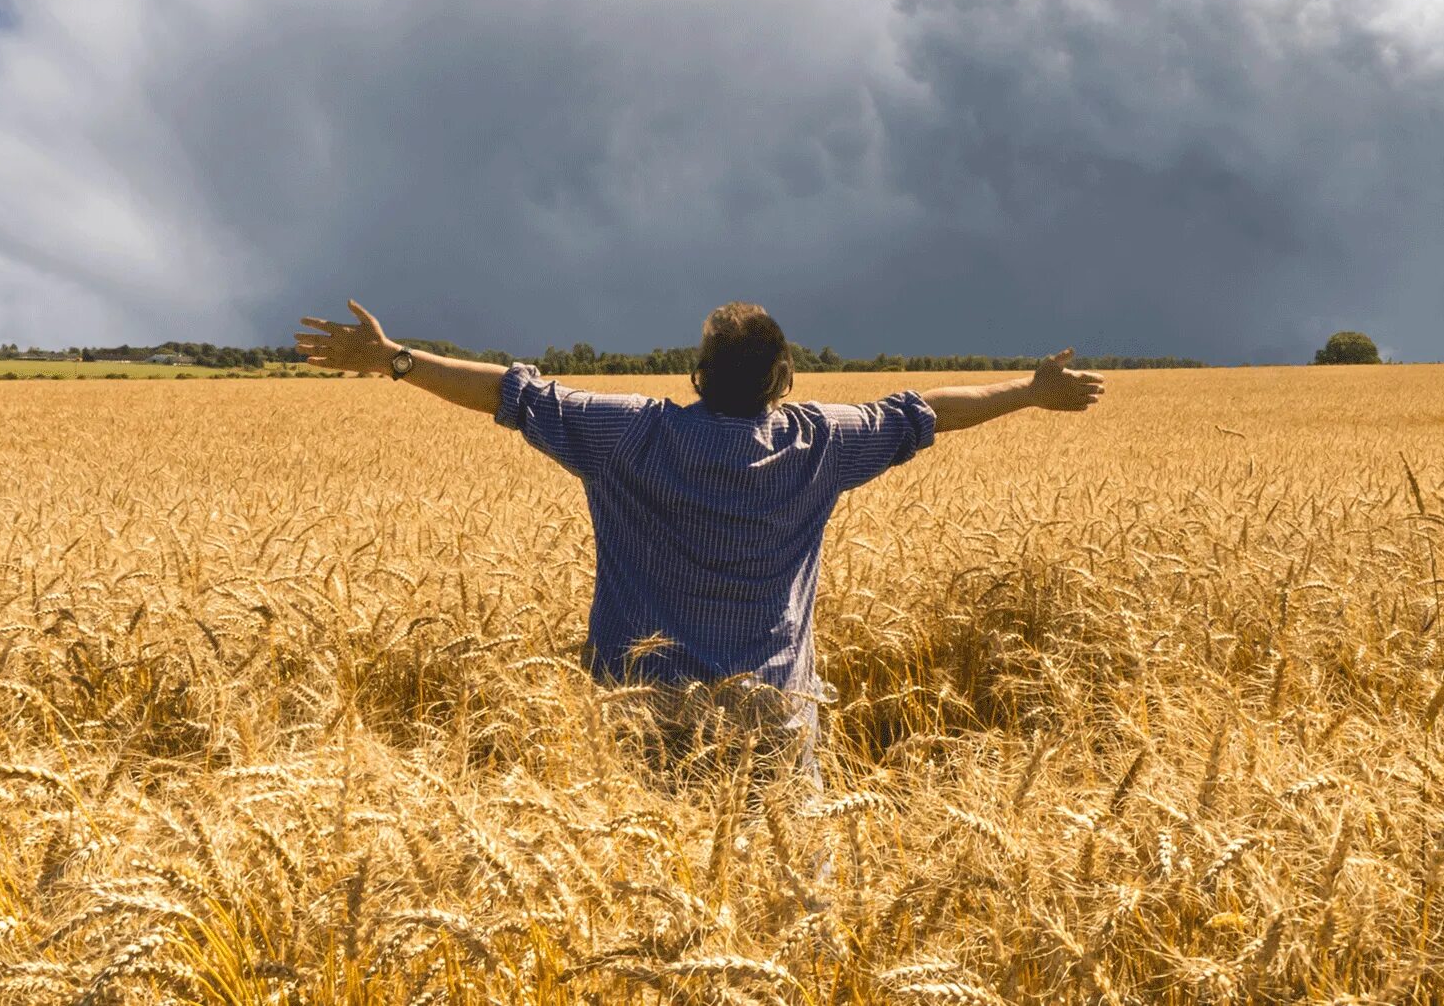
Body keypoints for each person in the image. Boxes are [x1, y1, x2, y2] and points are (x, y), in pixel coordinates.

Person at [294, 298, 1104, 781]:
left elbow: (509, 394)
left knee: (648, 907)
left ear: (696, 375)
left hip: (643, 716)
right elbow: (924, 411)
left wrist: (395, 358)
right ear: (784, 381)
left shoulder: (626, 433)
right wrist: (1031, 391)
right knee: (787, 907)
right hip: (774, 717)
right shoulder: (820, 441)